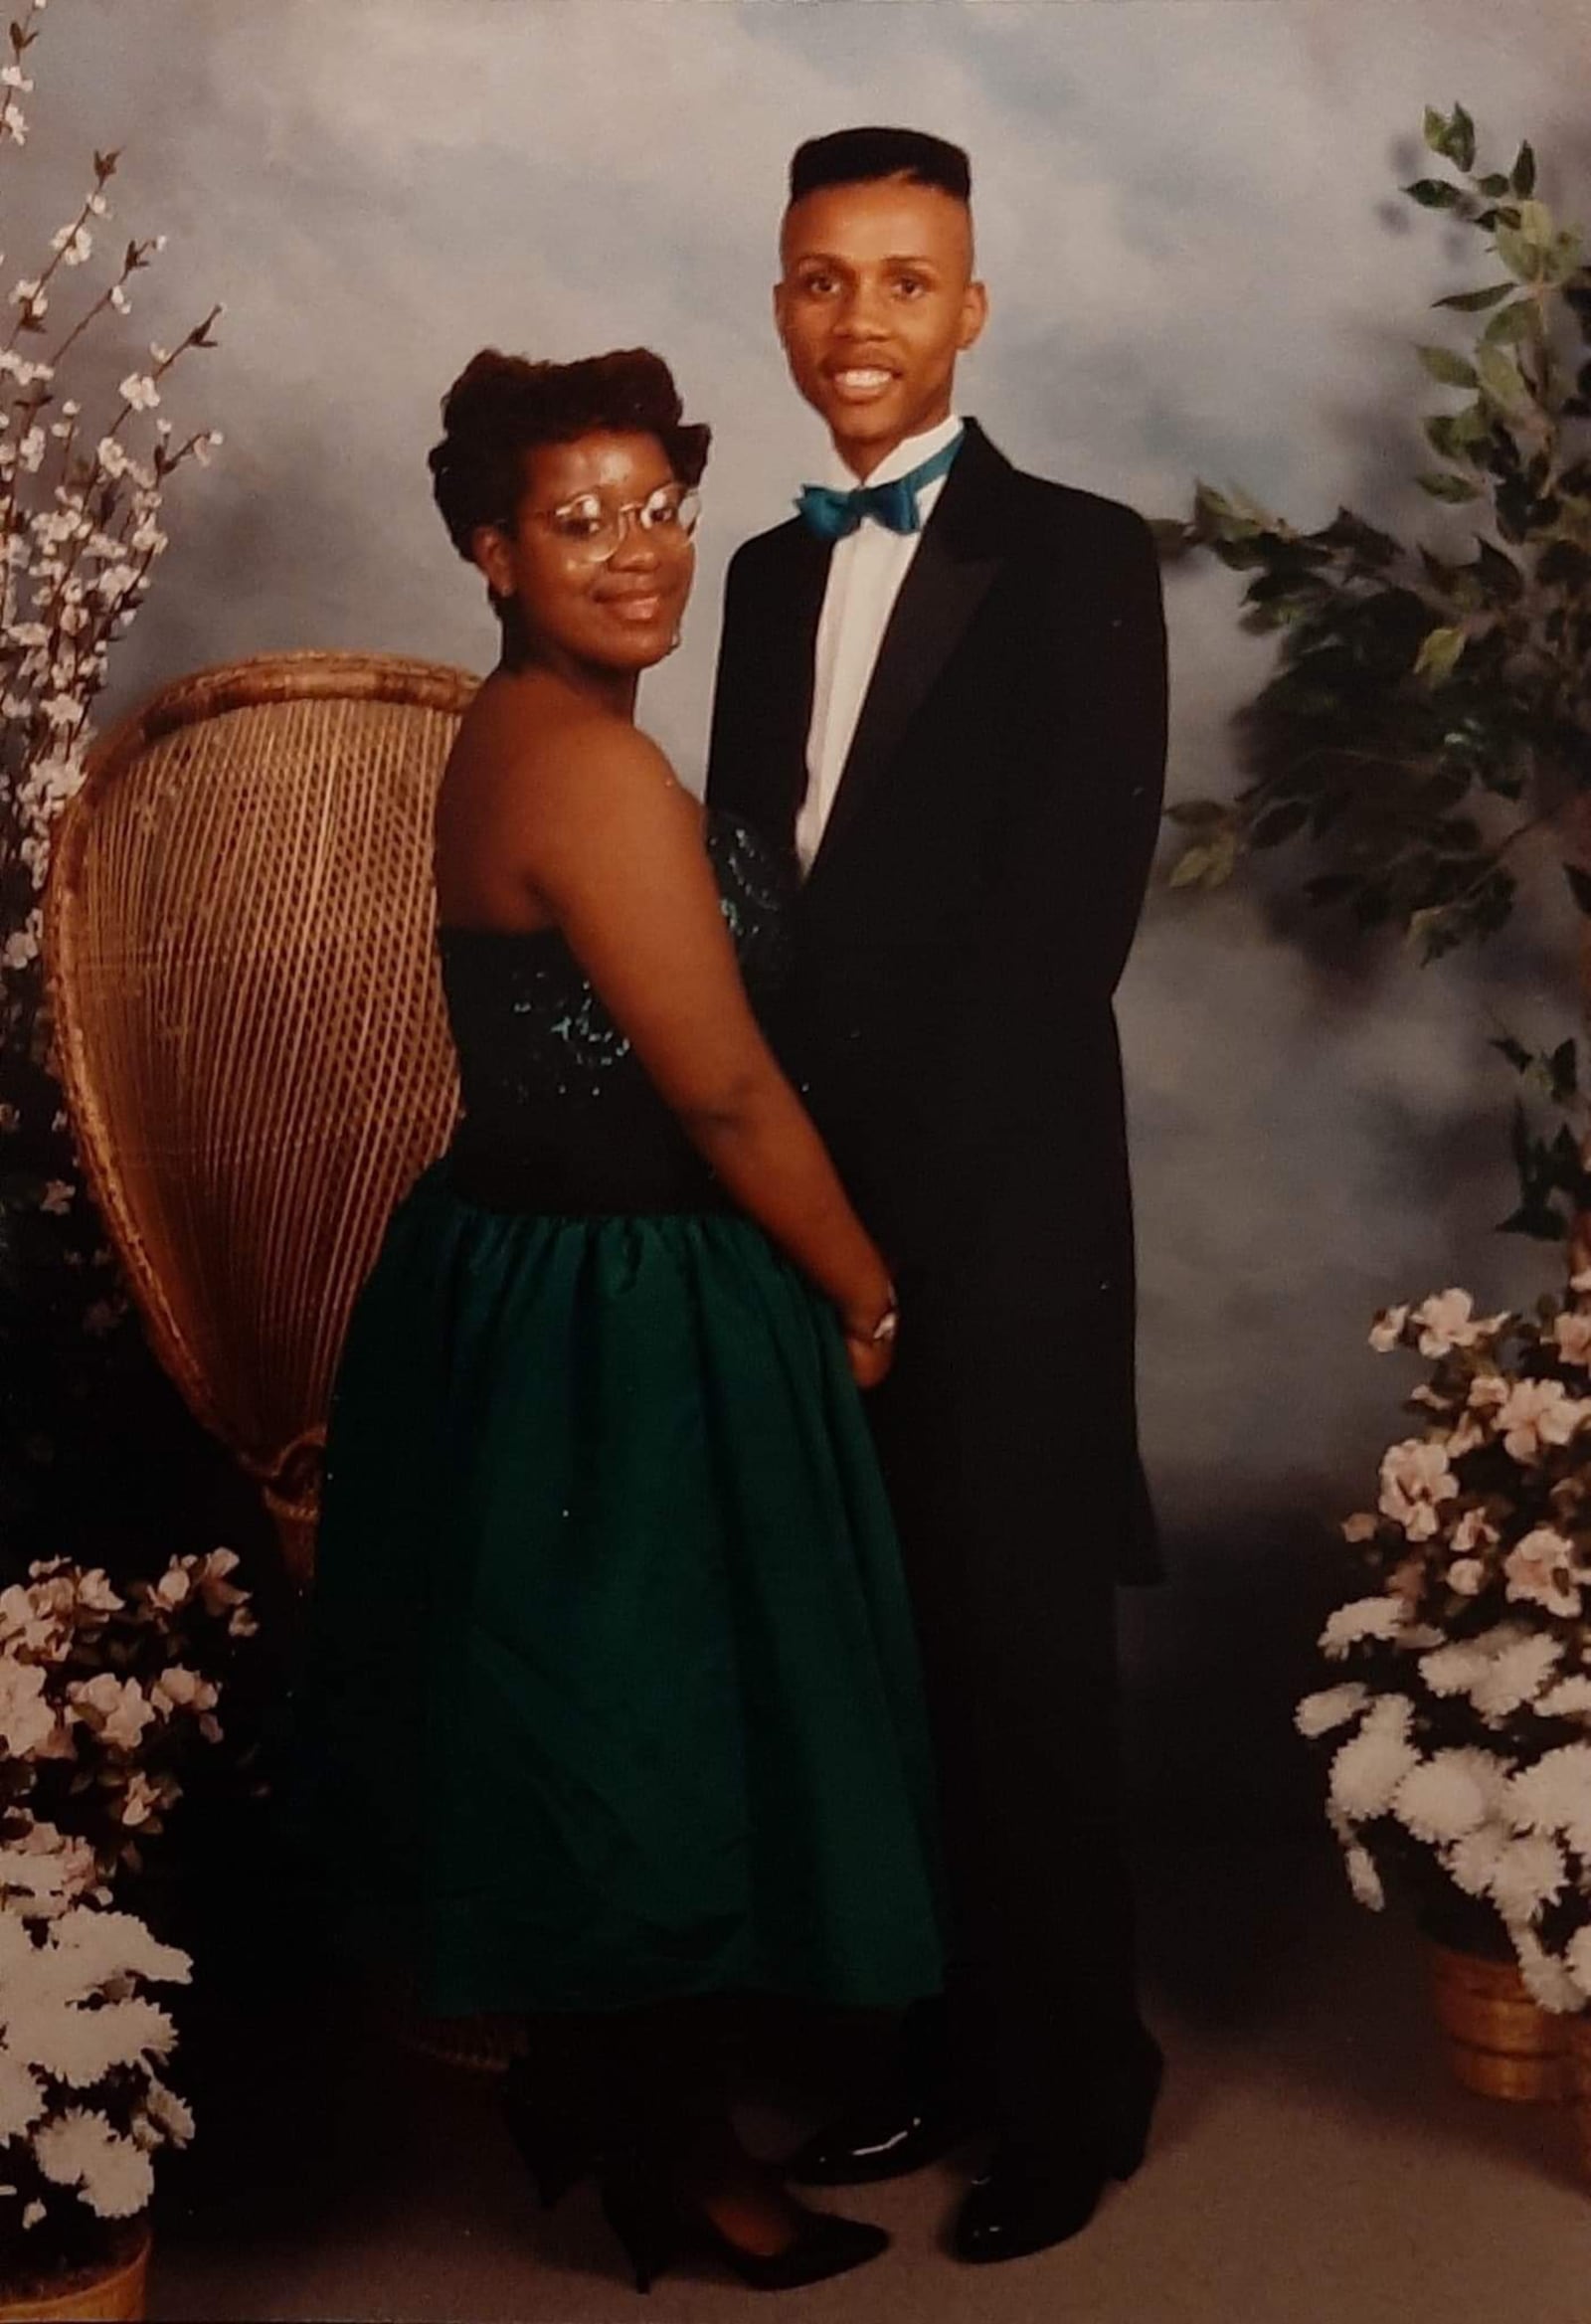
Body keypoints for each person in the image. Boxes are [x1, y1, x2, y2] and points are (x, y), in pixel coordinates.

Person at [295, 345, 947, 2293]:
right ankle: (664, 2155)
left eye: (658, 506)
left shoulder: (534, 728)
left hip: (539, 1270)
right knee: (644, 1734)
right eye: (578, 520)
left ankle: (604, 2096)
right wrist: (859, 1283)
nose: (637, 551)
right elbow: (726, 1089)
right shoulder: (580, 763)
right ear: (489, 552)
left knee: (601, 1715)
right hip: (614, 1307)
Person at [706, 125, 1168, 2265]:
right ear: (781, 298)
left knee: (1011, 1652)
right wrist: (774, 1196)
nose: (857, 317)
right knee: (855, 1650)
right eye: (821, 277)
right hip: (797, 1198)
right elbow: (739, 901)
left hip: (991, 1208)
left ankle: (1072, 2090)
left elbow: (1059, 929)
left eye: (903, 279)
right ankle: (917, 2045)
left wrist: (885, 1233)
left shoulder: (1078, 554)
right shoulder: (762, 574)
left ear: (968, 310)